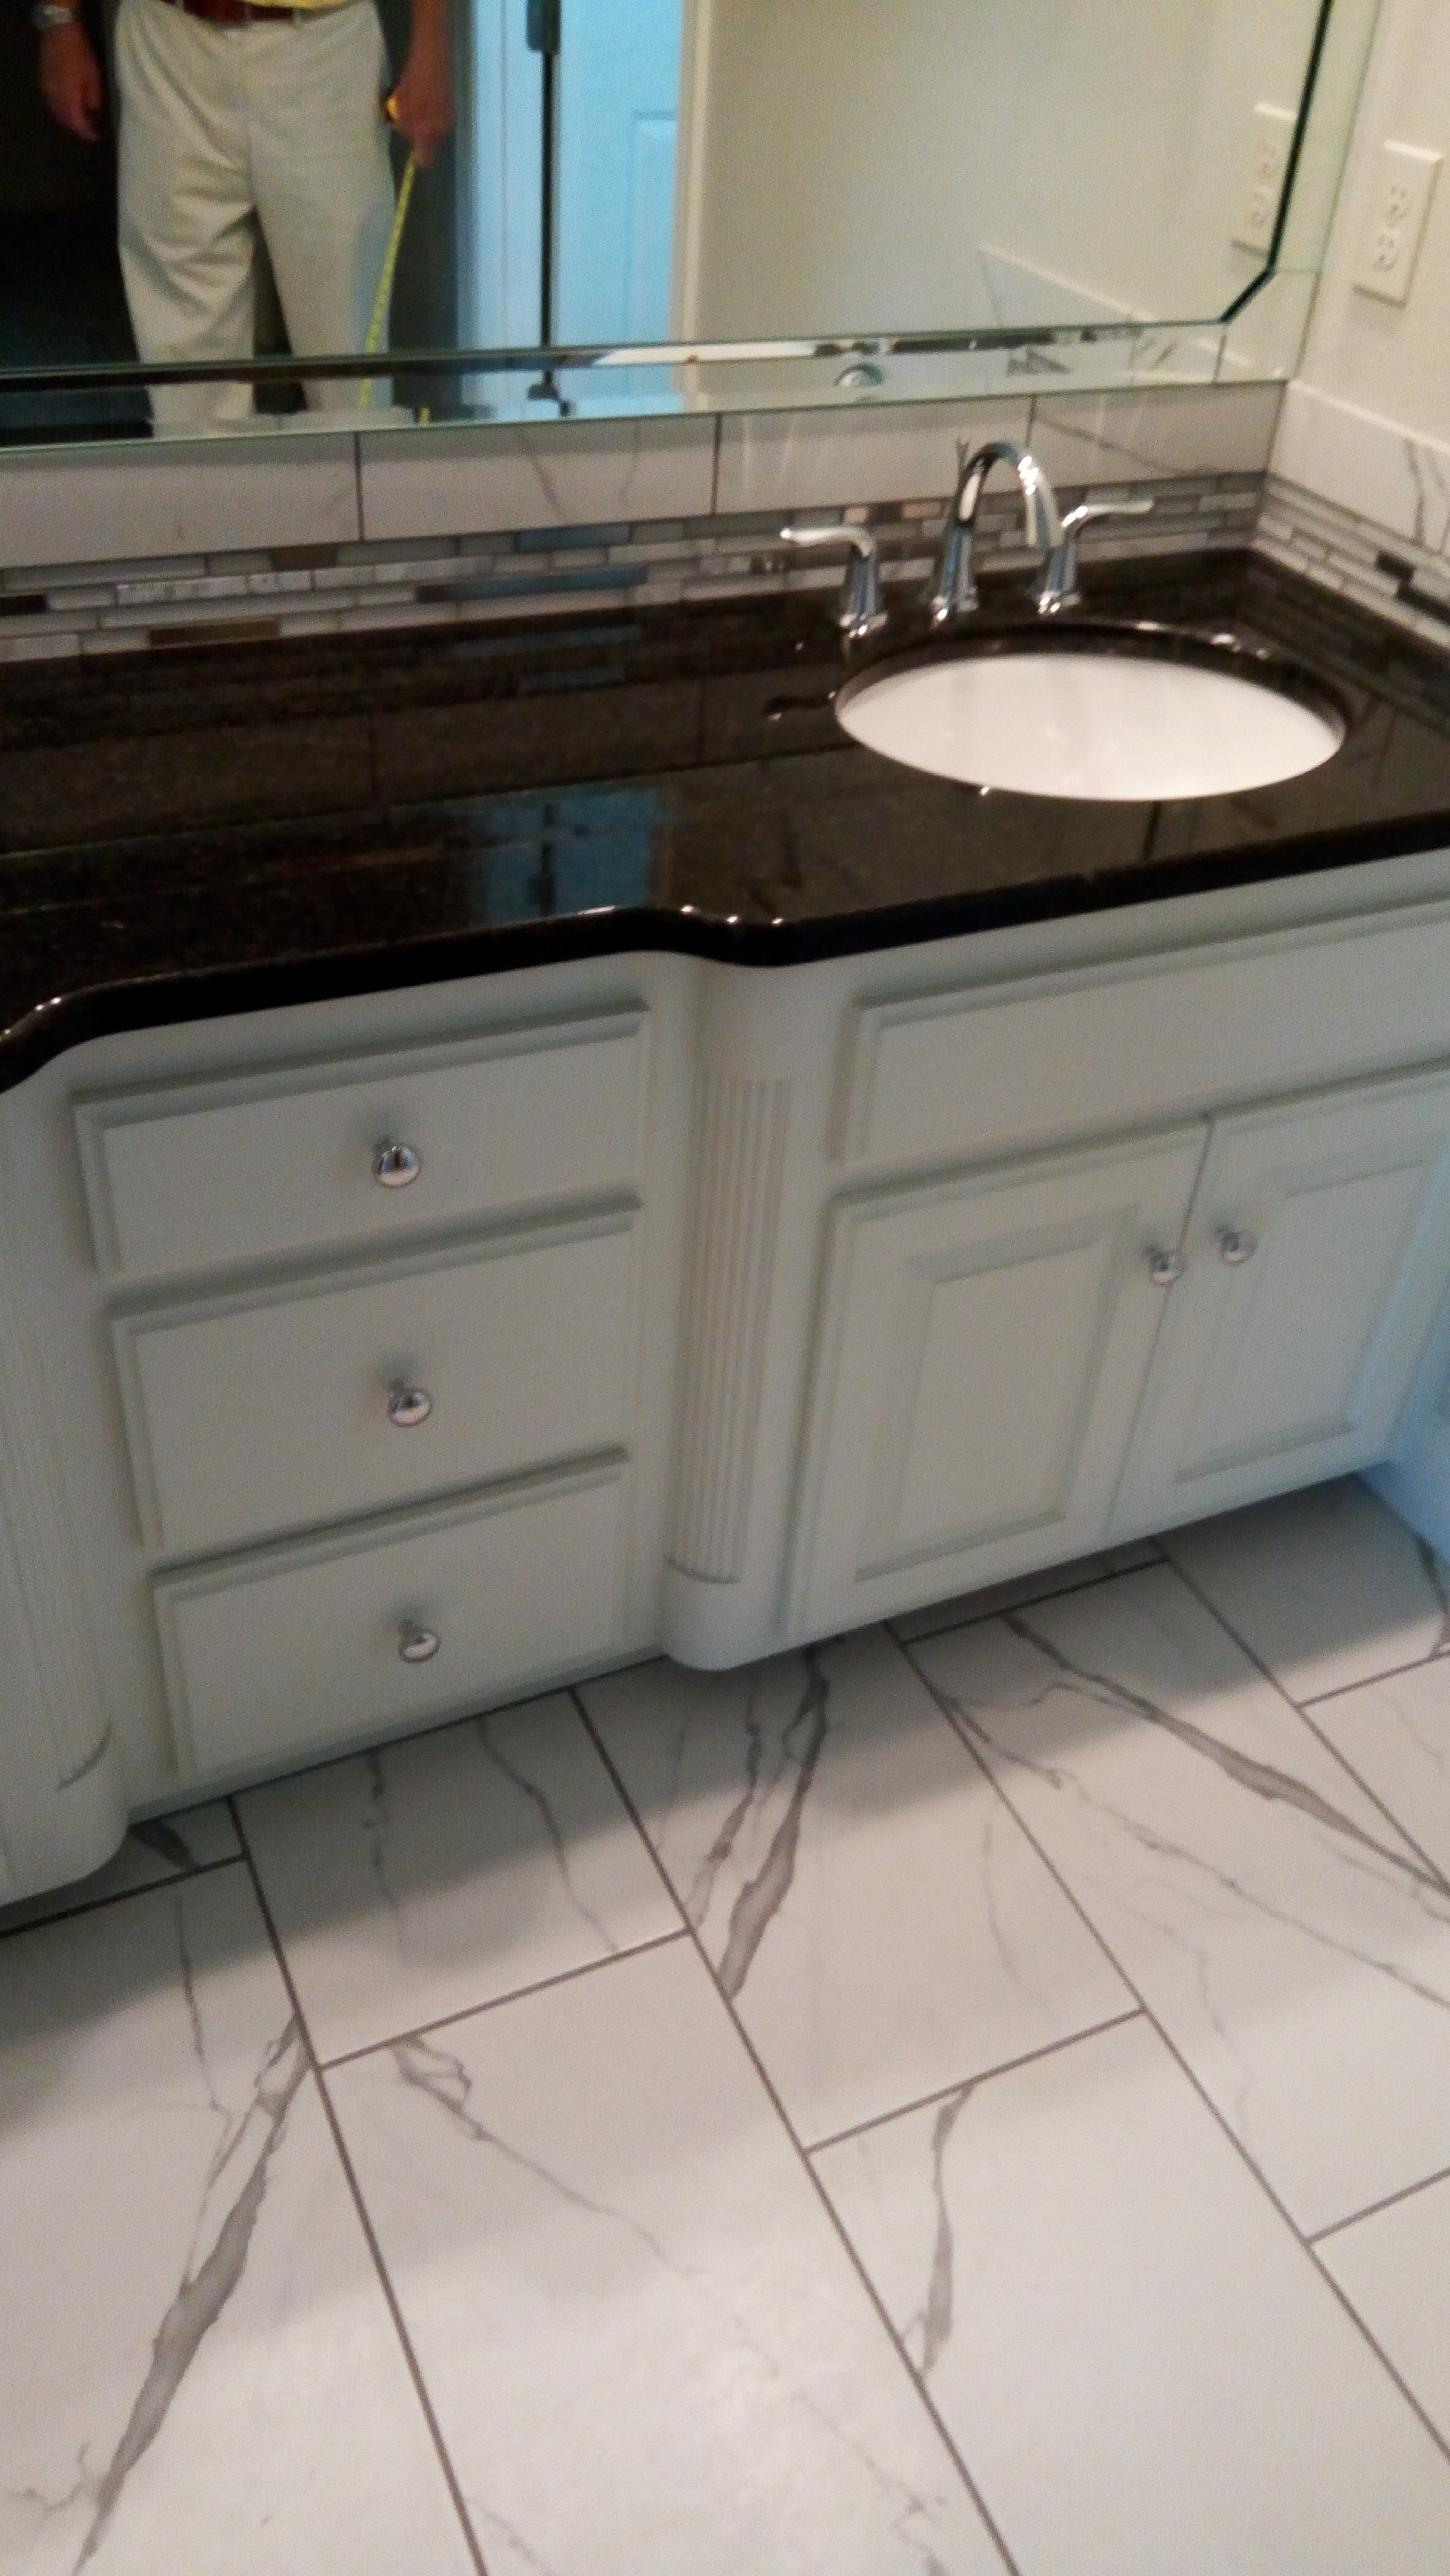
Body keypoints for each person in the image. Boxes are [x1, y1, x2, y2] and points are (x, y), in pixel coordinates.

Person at [35, 0, 451, 422]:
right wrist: (59, 17)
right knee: (187, 375)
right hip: (166, 37)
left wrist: (431, 41)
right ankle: (206, 487)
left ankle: (364, 484)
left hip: (324, 41)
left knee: (349, 354)